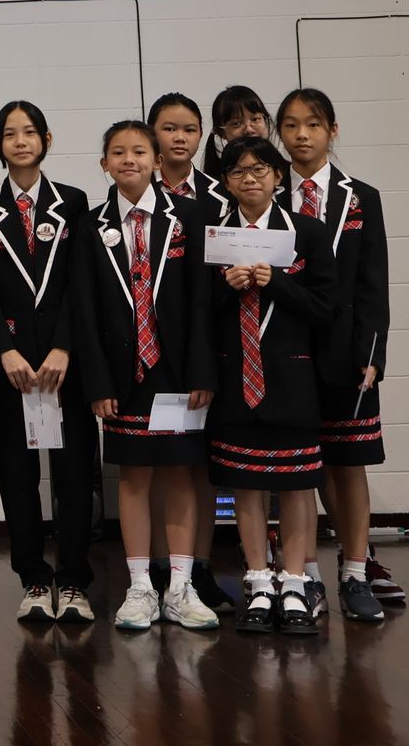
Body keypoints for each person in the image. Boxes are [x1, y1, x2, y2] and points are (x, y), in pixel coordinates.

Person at [74, 119, 218, 633]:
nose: (128, 160)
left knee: (180, 474)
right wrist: (98, 383)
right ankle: (140, 586)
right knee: (132, 478)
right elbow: (84, 313)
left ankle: (180, 586)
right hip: (122, 376)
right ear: (104, 164)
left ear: (157, 161)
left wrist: (204, 369)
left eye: (139, 151)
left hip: (178, 373)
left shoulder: (195, 216)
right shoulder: (90, 226)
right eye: (118, 152)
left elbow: (205, 303)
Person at [0, 100, 99, 624]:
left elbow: (81, 285)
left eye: (29, 132)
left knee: (73, 474)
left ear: (47, 138)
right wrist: (4, 348)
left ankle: (72, 580)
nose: (20, 141)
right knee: (16, 474)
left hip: (64, 365)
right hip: (12, 366)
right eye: (9, 133)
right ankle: (32, 578)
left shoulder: (73, 201)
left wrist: (64, 347)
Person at [275, 87, 395, 622]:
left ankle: (355, 571)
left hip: (348, 351)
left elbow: (374, 283)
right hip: (287, 350)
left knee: (350, 463)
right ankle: (307, 575)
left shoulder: (361, 196)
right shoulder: (267, 193)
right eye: (292, 125)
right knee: (301, 467)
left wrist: (373, 353)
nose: (302, 135)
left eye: (314, 124)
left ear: (332, 131)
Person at [209, 136, 337, 636]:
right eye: (238, 171)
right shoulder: (215, 236)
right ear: (225, 181)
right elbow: (194, 311)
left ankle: (296, 582)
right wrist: (226, 288)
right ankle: (259, 580)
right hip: (234, 377)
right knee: (247, 482)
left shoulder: (306, 232)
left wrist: (276, 281)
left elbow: (326, 308)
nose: (250, 178)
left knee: (298, 482)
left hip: (292, 376)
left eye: (260, 169)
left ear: (278, 176)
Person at [144, 91, 236, 613]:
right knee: (156, 465)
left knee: (198, 467)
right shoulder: (132, 189)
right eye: (169, 128)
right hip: (149, 352)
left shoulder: (219, 199)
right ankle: (158, 570)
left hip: (205, 351)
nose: (179, 138)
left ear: (203, 137)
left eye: (189, 129)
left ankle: (197, 570)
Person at [206, 84, 272, 180]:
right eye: (236, 123)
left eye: (255, 119)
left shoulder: (287, 172)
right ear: (221, 132)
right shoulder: (212, 182)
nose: (249, 129)